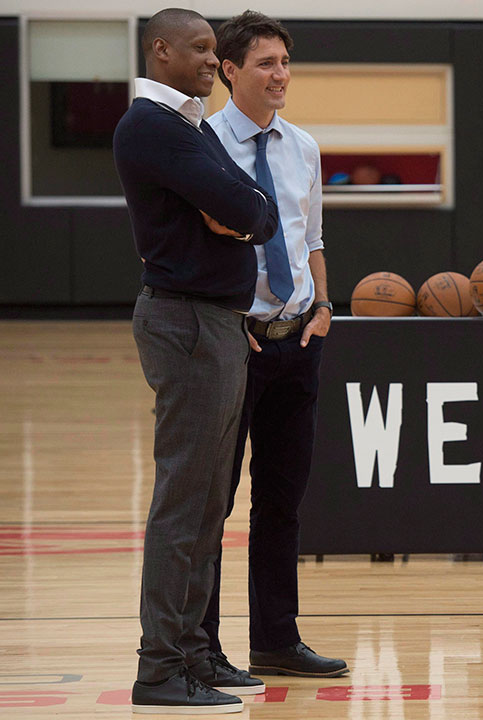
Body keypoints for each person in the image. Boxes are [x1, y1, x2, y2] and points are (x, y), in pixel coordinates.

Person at [114, 7, 280, 715]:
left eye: (215, 51)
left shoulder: (189, 126)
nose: (214, 61)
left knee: (211, 500)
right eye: (202, 50)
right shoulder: (151, 126)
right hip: (185, 321)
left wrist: (244, 211)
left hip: (214, 322)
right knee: (186, 500)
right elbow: (238, 205)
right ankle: (160, 668)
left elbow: (258, 210)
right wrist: (241, 211)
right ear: (161, 51)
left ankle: (193, 652)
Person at [200, 10, 348, 679]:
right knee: (211, 504)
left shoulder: (304, 147)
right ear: (230, 71)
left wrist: (323, 305)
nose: (281, 74)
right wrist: (227, 322)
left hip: (298, 341)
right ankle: (201, 645)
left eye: (285, 62)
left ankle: (276, 640)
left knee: (282, 501)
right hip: (235, 345)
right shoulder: (200, 146)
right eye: (267, 63)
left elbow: (310, 237)